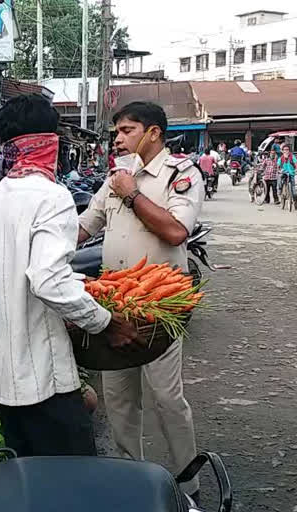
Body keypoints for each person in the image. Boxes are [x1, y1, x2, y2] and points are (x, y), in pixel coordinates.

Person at [0, 94, 144, 457]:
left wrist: (80, 287)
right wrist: (105, 322)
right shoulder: (52, 197)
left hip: (1, 374)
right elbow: (47, 280)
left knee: (31, 477)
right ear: (50, 141)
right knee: (74, 482)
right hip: (41, 378)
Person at [78, 101, 203, 500]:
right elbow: (83, 228)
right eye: (117, 131)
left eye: (127, 130)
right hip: (113, 304)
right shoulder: (117, 177)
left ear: (153, 133)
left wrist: (132, 195)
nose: (118, 137)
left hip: (157, 308)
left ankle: (189, 484)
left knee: (167, 397)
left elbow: (175, 231)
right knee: (118, 399)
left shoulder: (180, 174)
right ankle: (132, 480)